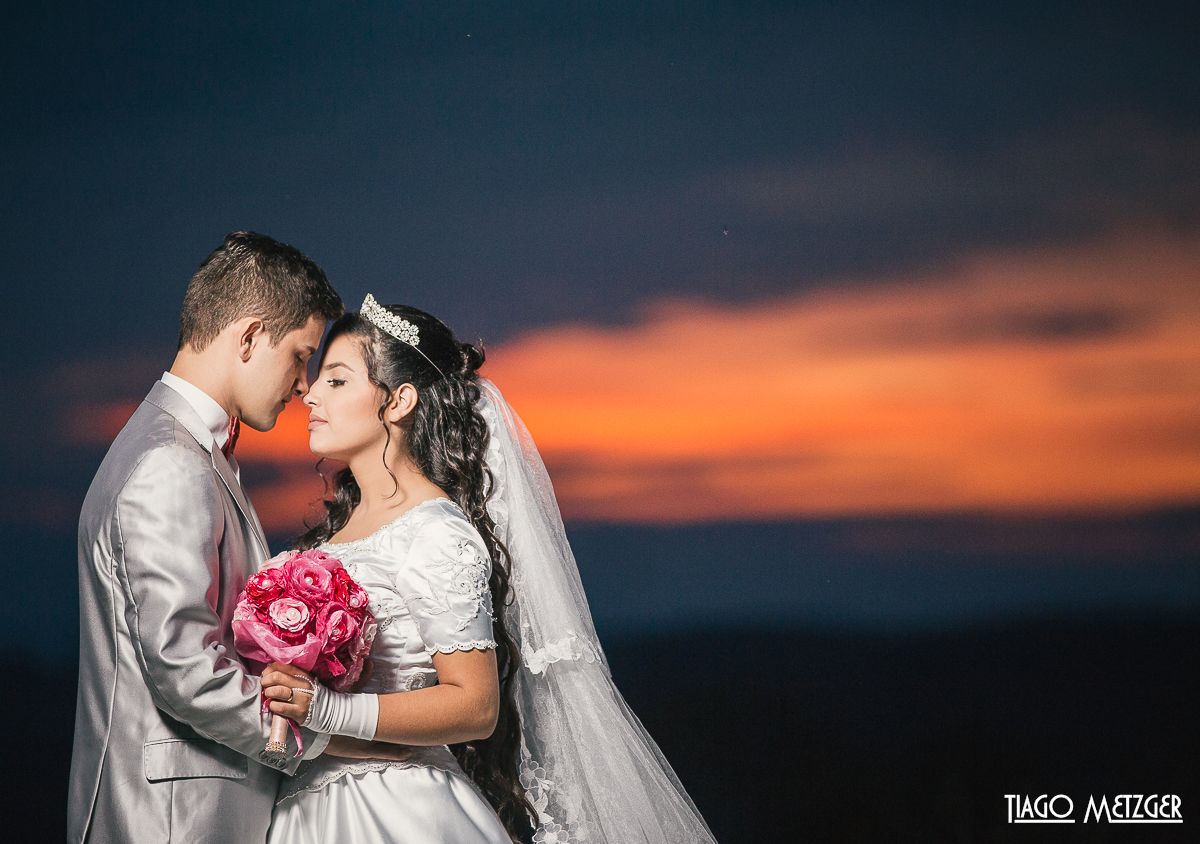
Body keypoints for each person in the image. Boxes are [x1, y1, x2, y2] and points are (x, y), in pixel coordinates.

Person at [260, 296, 717, 843]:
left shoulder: (435, 533)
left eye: (336, 380)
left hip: (396, 814)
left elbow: (475, 706)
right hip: (300, 810)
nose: (309, 394)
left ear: (399, 401)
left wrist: (329, 712)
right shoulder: (333, 536)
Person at [69, 232, 345, 844]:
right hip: (170, 821)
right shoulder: (168, 464)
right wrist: (312, 733)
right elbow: (182, 663)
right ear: (247, 338)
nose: (304, 384)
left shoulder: (176, 449)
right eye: (300, 355)